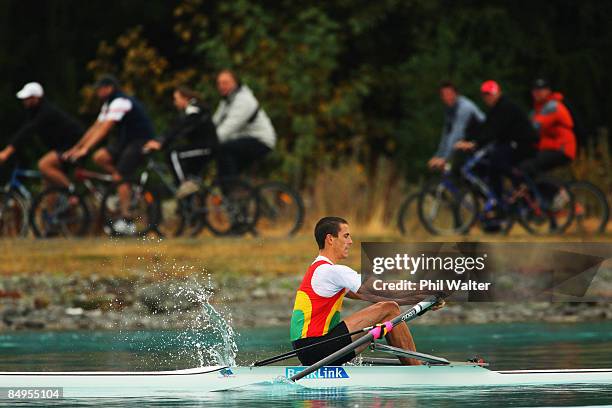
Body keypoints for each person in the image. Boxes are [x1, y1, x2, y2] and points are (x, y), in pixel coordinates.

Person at [290, 217, 444, 366]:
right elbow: (382, 290)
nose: (350, 242)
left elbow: (374, 295)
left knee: (387, 310)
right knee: (390, 308)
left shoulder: (319, 270)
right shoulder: (330, 271)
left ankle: (412, 365)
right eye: (346, 236)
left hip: (308, 349)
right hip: (316, 348)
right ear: (330, 239)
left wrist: (423, 299)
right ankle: (415, 370)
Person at [63, 75, 155, 235]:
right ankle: (122, 185)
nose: (98, 93)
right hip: (125, 142)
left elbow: (105, 128)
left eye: (100, 89)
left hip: (139, 141)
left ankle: (127, 218)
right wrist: (77, 147)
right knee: (100, 157)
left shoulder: (120, 102)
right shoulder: (108, 104)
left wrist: (86, 149)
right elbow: (96, 127)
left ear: (109, 88)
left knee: (120, 175)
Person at [455, 80, 538, 207]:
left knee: (497, 161)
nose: (488, 98)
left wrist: (474, 144)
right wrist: (468, 140)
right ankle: (500, 200)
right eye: (486, 95)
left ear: (498, 93)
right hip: (511, 143)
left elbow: (493, 131)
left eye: (491, 94)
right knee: (491, 165)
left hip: (523, 144)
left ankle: (520, 184)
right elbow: (485, 128)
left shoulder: (505, 106)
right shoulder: (495, 109)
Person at [0, 82, 82, 187]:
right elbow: (24, 130)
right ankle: (53, 202)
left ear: (36, 98)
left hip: (73, 145)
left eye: (27, 98)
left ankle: (73, 193)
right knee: (48, 184)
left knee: (44, 165)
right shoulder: (35, 112)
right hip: (62, 146)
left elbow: (27, 131)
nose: (24, 101)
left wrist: (7, 152)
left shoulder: (46, 112)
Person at [143, 86, 218, 198]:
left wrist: (162, 143)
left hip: (206, 147)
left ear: (185, 98)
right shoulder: (191, 110)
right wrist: (159, 141)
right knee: (190, 176)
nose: (175, 102)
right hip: (200, 147)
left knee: (174, 154)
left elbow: (180, 127)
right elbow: (174, 128)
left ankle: (184, 185)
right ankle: (190, 207)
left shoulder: (194, 109)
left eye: (176, 99)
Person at [212, 69, 276, 178]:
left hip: (261, 141)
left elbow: (228, 128)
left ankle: (230, 190)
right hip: (243, 138)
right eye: (219, 83)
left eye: (225, 83)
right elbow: (214, 123)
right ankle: (234, 190)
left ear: (236, 83)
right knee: (222, 167)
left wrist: (209, 141)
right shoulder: (226, 101)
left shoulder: (244, 100)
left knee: (224, 150)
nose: (221, 86)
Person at [518, 78, 576, 177]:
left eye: (541, 90)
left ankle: (556, 191)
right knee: (522, 164)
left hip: (562, 148)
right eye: (535, 90)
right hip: (550, 147)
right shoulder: (537, 110)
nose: (537, 93)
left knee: (528, 166)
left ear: (548, 91)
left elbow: (536, 126)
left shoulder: (552, 106)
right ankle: (532, 191)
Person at [428, 81, 485, 172]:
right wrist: (438, 155)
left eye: (450, 94)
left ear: (456, 94)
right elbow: (446, 134)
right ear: (441, 97)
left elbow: (457, 134)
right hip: (469, 142)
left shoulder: (464, 107)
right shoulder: (449, 109)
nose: (448, 97)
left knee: (457, 166)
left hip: (483, 142)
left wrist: (444, 158)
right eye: (445, 95)